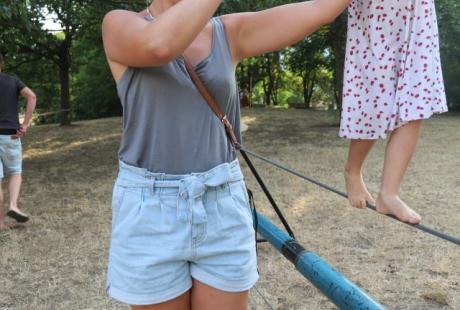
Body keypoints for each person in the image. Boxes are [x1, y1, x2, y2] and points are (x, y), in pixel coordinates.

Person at [102, 0, 352, 309]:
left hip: (221, 201)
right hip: (151, 210)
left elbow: (319, 10)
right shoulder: (118, 24)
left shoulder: (229, 32)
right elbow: (158, 45)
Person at [340, 0, 448, 224]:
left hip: (417, 15)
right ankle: (352, 170)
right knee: (372, 102)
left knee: (415, 103)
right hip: (378, 15)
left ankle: (389, 194)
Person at [0, 52, 37, 231]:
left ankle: (0, 223)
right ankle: (13, 205)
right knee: (15, 172)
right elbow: (32, 96)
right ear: (2, 64)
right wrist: (26, 124)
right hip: (10, 135)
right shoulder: (12, 81)